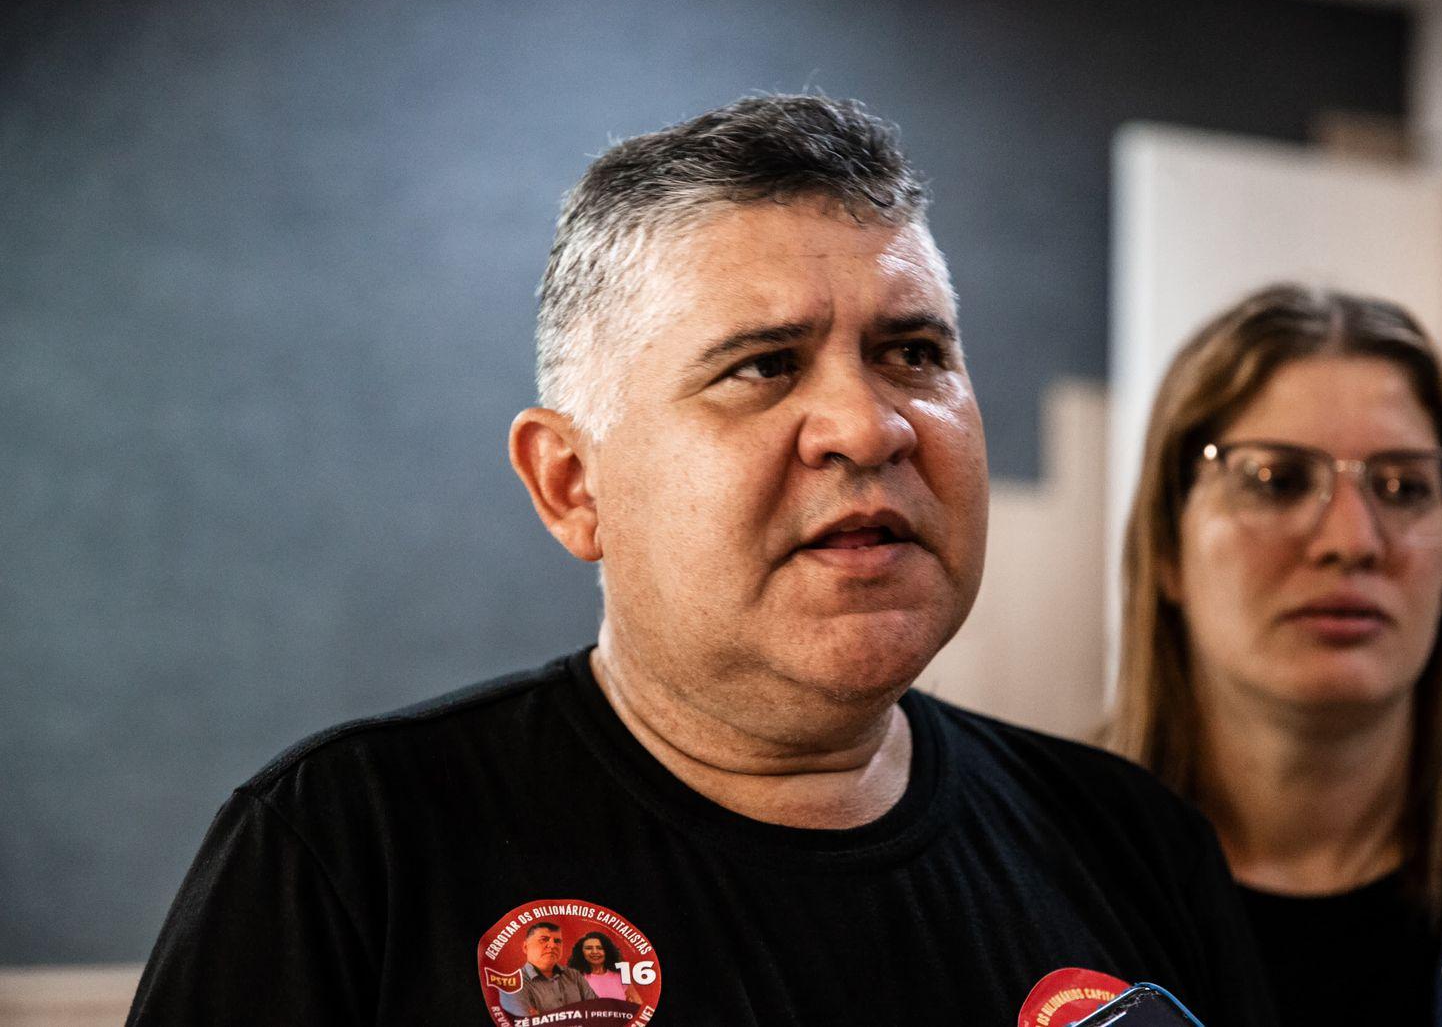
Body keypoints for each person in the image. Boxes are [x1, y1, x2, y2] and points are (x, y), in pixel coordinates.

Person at [126, 94, 1275, 1026]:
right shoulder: (346, 850)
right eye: (763, 366)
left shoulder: (1133, 844)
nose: (867, 427)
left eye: (912, 350)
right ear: (572, 485)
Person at [1108, 283, 1442, 1027]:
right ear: (1170, 547)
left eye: (1403, 488)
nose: (1352, 541)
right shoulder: (1038, 874)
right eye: (1276, 480)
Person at [497, 923, 597, 1017]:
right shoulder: (513, 984)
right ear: (525, 947)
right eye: (544, 939)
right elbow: (525, 1023)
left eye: (557, 941)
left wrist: (543, 1018)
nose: (553, 945)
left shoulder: (574, 975)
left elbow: (598, 1013)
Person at [569, 931, 639, 1004]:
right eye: (589, 948)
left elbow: (638, 1005)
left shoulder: (622, 975)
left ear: (607, 951)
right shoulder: (575, 978)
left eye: (600, 948)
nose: (595, 952)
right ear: (581, 952)